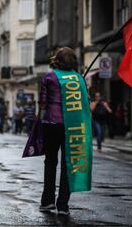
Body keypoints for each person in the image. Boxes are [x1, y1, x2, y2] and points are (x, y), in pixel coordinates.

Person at [39, 47, 80, 215]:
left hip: (52, 123)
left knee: (50, 162)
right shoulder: (78, 79)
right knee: (67, 164)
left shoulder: (49, 77)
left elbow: (42, 104)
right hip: (72, 125)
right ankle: (63, 204)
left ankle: (47, 201)